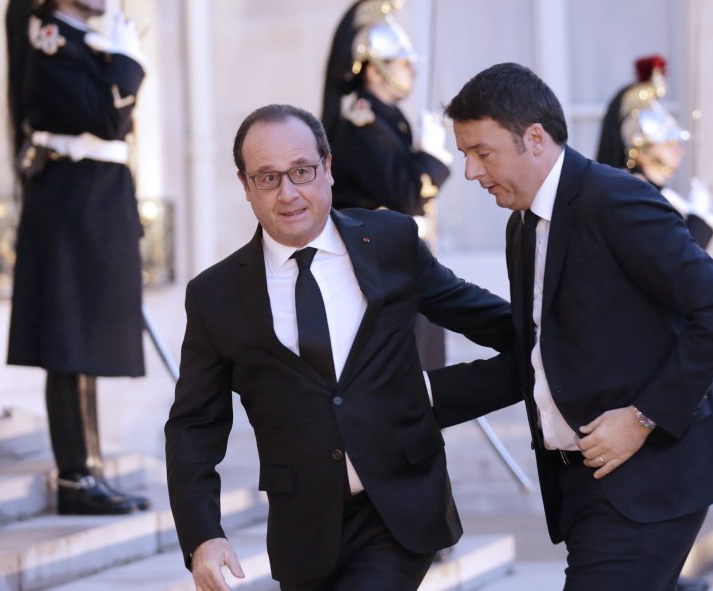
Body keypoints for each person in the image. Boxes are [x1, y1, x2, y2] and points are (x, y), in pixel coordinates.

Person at [164, 104, 517, 591]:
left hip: (399, 511)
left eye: (302, 172)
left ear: (328, 168)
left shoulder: (390, 242)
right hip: (303, 532)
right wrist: (203, 535)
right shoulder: (215, 295)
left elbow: (497, 324)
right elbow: (194, 425)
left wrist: (431, 394)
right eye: (267, 178)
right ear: (245, 186)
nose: (288, 194)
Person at [445, 63, 713, 590]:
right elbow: (541, 351)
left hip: (648, 484)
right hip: (582, 484)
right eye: (464, 155)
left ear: (534, 139)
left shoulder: (616, 198)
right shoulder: (522, 224)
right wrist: (415, 397)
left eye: (482, 152)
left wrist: (643, 417)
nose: (471, 172)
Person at [5, 0, 150, 515]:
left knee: (84, 346)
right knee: (68, 346)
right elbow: (110, 117)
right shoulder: (50, 36)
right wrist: (128, 62)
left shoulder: (88, 41)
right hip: (69, 201)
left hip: (98, 200)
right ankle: (75, 478)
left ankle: (90, 470)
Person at [321, 0, 453, 371]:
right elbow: (405, 196)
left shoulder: (390, 120)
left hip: (403, 260)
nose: (411, 68)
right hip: (379, 269)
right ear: (375, 69)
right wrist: (431, 160)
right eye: (401, 61)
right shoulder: (362, 125)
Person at [597, 54, 713, 249]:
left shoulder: (665, 197)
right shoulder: (632, 197)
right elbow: (674, 262)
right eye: (668, 143)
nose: (679, 152)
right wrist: (697, 220)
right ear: (639, 150)